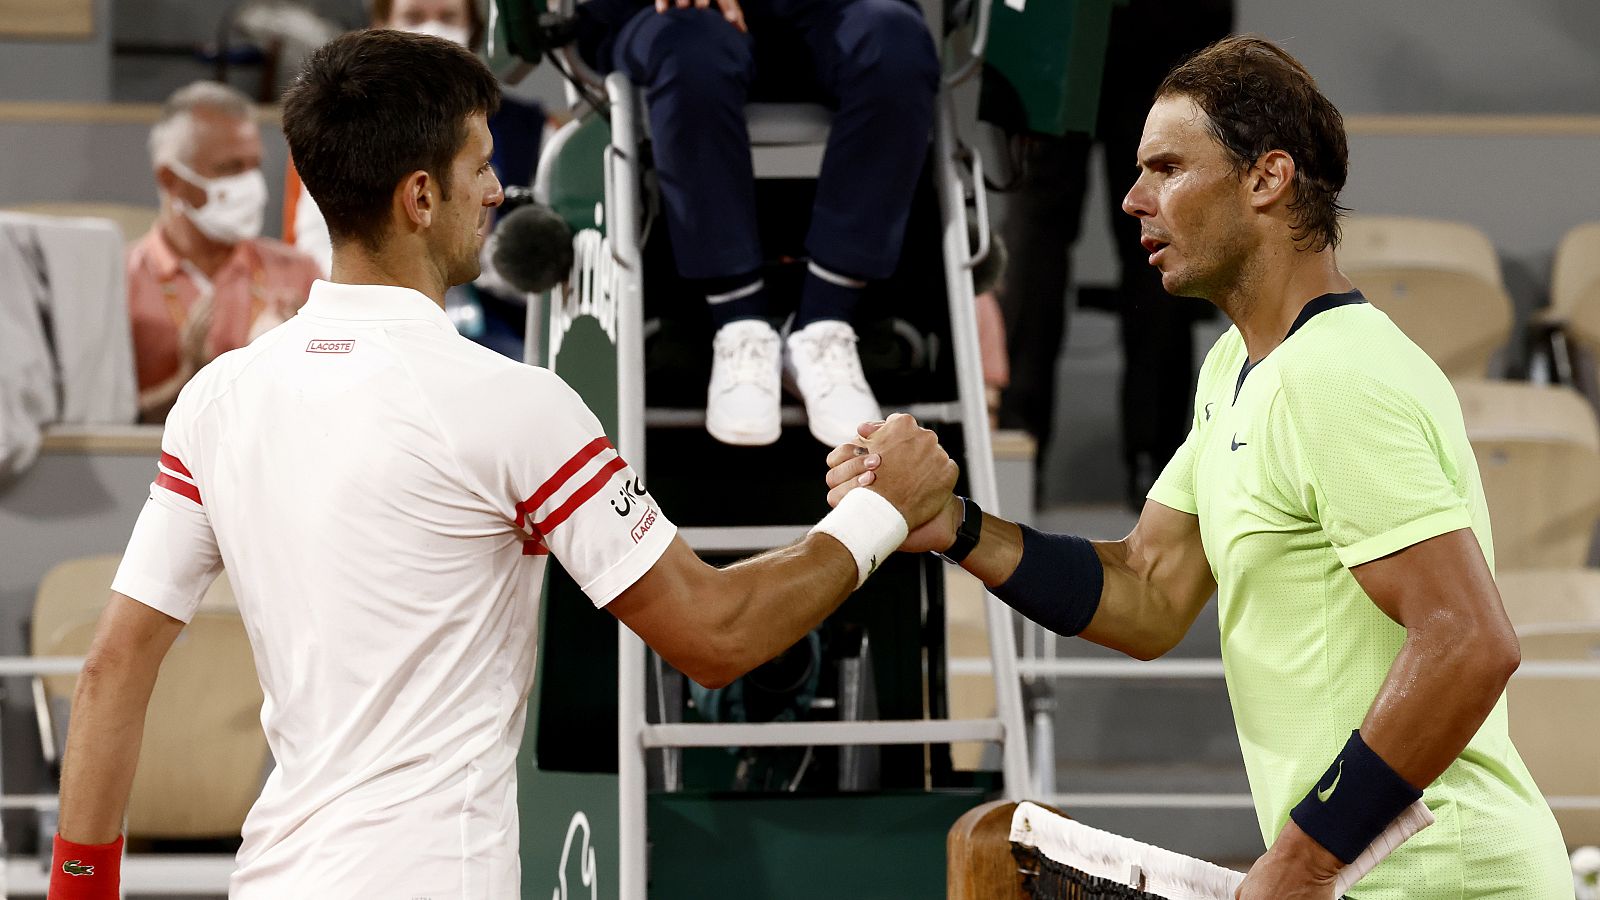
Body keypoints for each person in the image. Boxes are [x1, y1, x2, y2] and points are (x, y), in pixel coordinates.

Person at [49, 30, 953, 899]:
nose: (496, 190)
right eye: (479, 166)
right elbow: (716, 637)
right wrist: (881, 512)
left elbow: (112, 669)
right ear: (420, 197)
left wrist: (79, 890)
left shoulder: (217, 398)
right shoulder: (514, 404)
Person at [826, 35, 1569, 899]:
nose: (1134, 198)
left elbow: (1469, 641)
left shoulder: (1335, 376)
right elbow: (1147, 592)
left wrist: (1305, 858)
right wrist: (955, 526)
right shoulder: (1235, 368)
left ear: (1267, 178)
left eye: (1168, 168)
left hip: (1451, 883)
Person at [574, 0, 940, 447]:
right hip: (672, 20)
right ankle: (739, 324)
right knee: (691, 50)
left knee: (896, 43)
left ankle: (823, 323)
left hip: (833, 13)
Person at [993, 0, 1233, 507]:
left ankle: (1018, 453)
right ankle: (1155, 466)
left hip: (1057, 23)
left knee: (1048, 235)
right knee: (1157, 229)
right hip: (1132, 26)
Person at [127, 81, 320, 423]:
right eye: (231, 168)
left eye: (254, 166)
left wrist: (300, 356)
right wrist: (186, 383)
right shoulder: (121, 282)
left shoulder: (300, 274)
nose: (251, 185)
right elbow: (107, 424)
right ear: (170, 180)